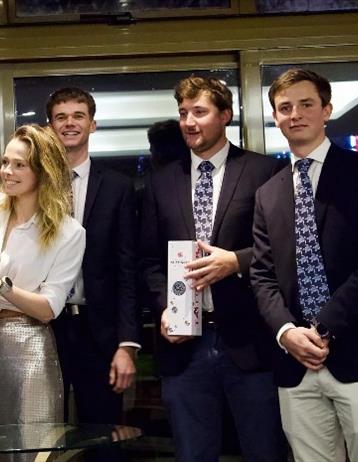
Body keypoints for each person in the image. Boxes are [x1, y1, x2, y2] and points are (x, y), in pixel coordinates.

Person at [251, 68, 358, 462]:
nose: (295, 114)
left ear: (327, 109)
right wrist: (288, 333)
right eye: (284, 107)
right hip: (295, 364)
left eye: (306, 104)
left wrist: (323, 328)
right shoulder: (267, 194)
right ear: (275, 117)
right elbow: (262, 277)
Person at [140, 76, 286, 462]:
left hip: (249, 340)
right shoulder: (160, 181)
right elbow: (150, 261)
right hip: (184, 346)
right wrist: (163, 308)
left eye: (199, 112)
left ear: (225, 115)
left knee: (264, 451)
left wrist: (235, 261)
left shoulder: (264, 172)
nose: (188, 121)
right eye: (183, 113)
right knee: (192, 454)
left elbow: (282, 251)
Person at [0, 124, 85, 432]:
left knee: (32, 442)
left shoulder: (68, 232)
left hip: (29, 342)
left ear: (43, 172)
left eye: (19, 165)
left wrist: (1, 285)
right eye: (5, 162)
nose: (7, 171)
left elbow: (49, 308)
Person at [45, 88, 140, 450]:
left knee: (103, 439)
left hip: (98, 332)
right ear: (50, 127)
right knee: (42, 437)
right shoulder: (32, 185)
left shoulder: (117, 187)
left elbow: (127, 268)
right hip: (43, 328)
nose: (70, 123)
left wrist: (127, 344)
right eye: (61, 117)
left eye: (78, 116)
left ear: (93, 124)